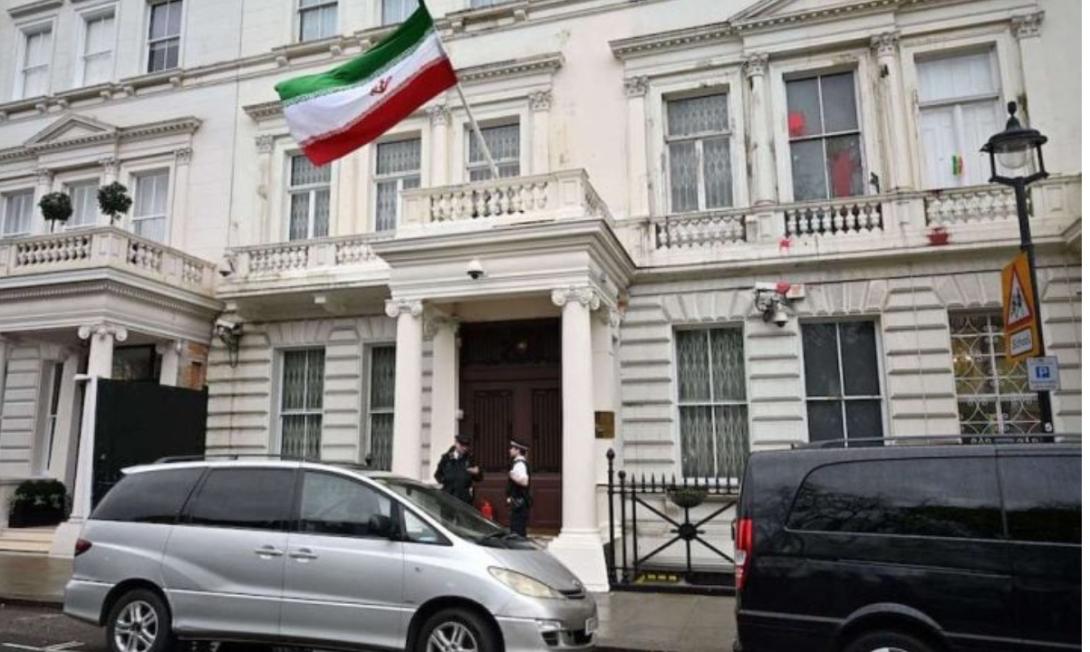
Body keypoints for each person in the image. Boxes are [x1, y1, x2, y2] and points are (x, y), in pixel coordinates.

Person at [433, 434, 482, 505]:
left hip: (464, 500)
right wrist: (445, 482)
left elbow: (479, 478)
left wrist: (477, 473)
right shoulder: (446, 458)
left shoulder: (470, 459)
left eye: (467, 446)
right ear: (456, 443)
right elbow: (437, 474)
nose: (464, 448)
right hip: (448, 498)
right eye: (462, 445)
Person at [506, 439, 531, 537]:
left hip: (519, 504)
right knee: (518, 529)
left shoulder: (519, 464)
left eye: (512, 448)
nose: (510, 450)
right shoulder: (518, 463)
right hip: (519, 503)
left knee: (517, 531)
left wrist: (513, 476)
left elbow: (524, 482)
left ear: (518, 450)